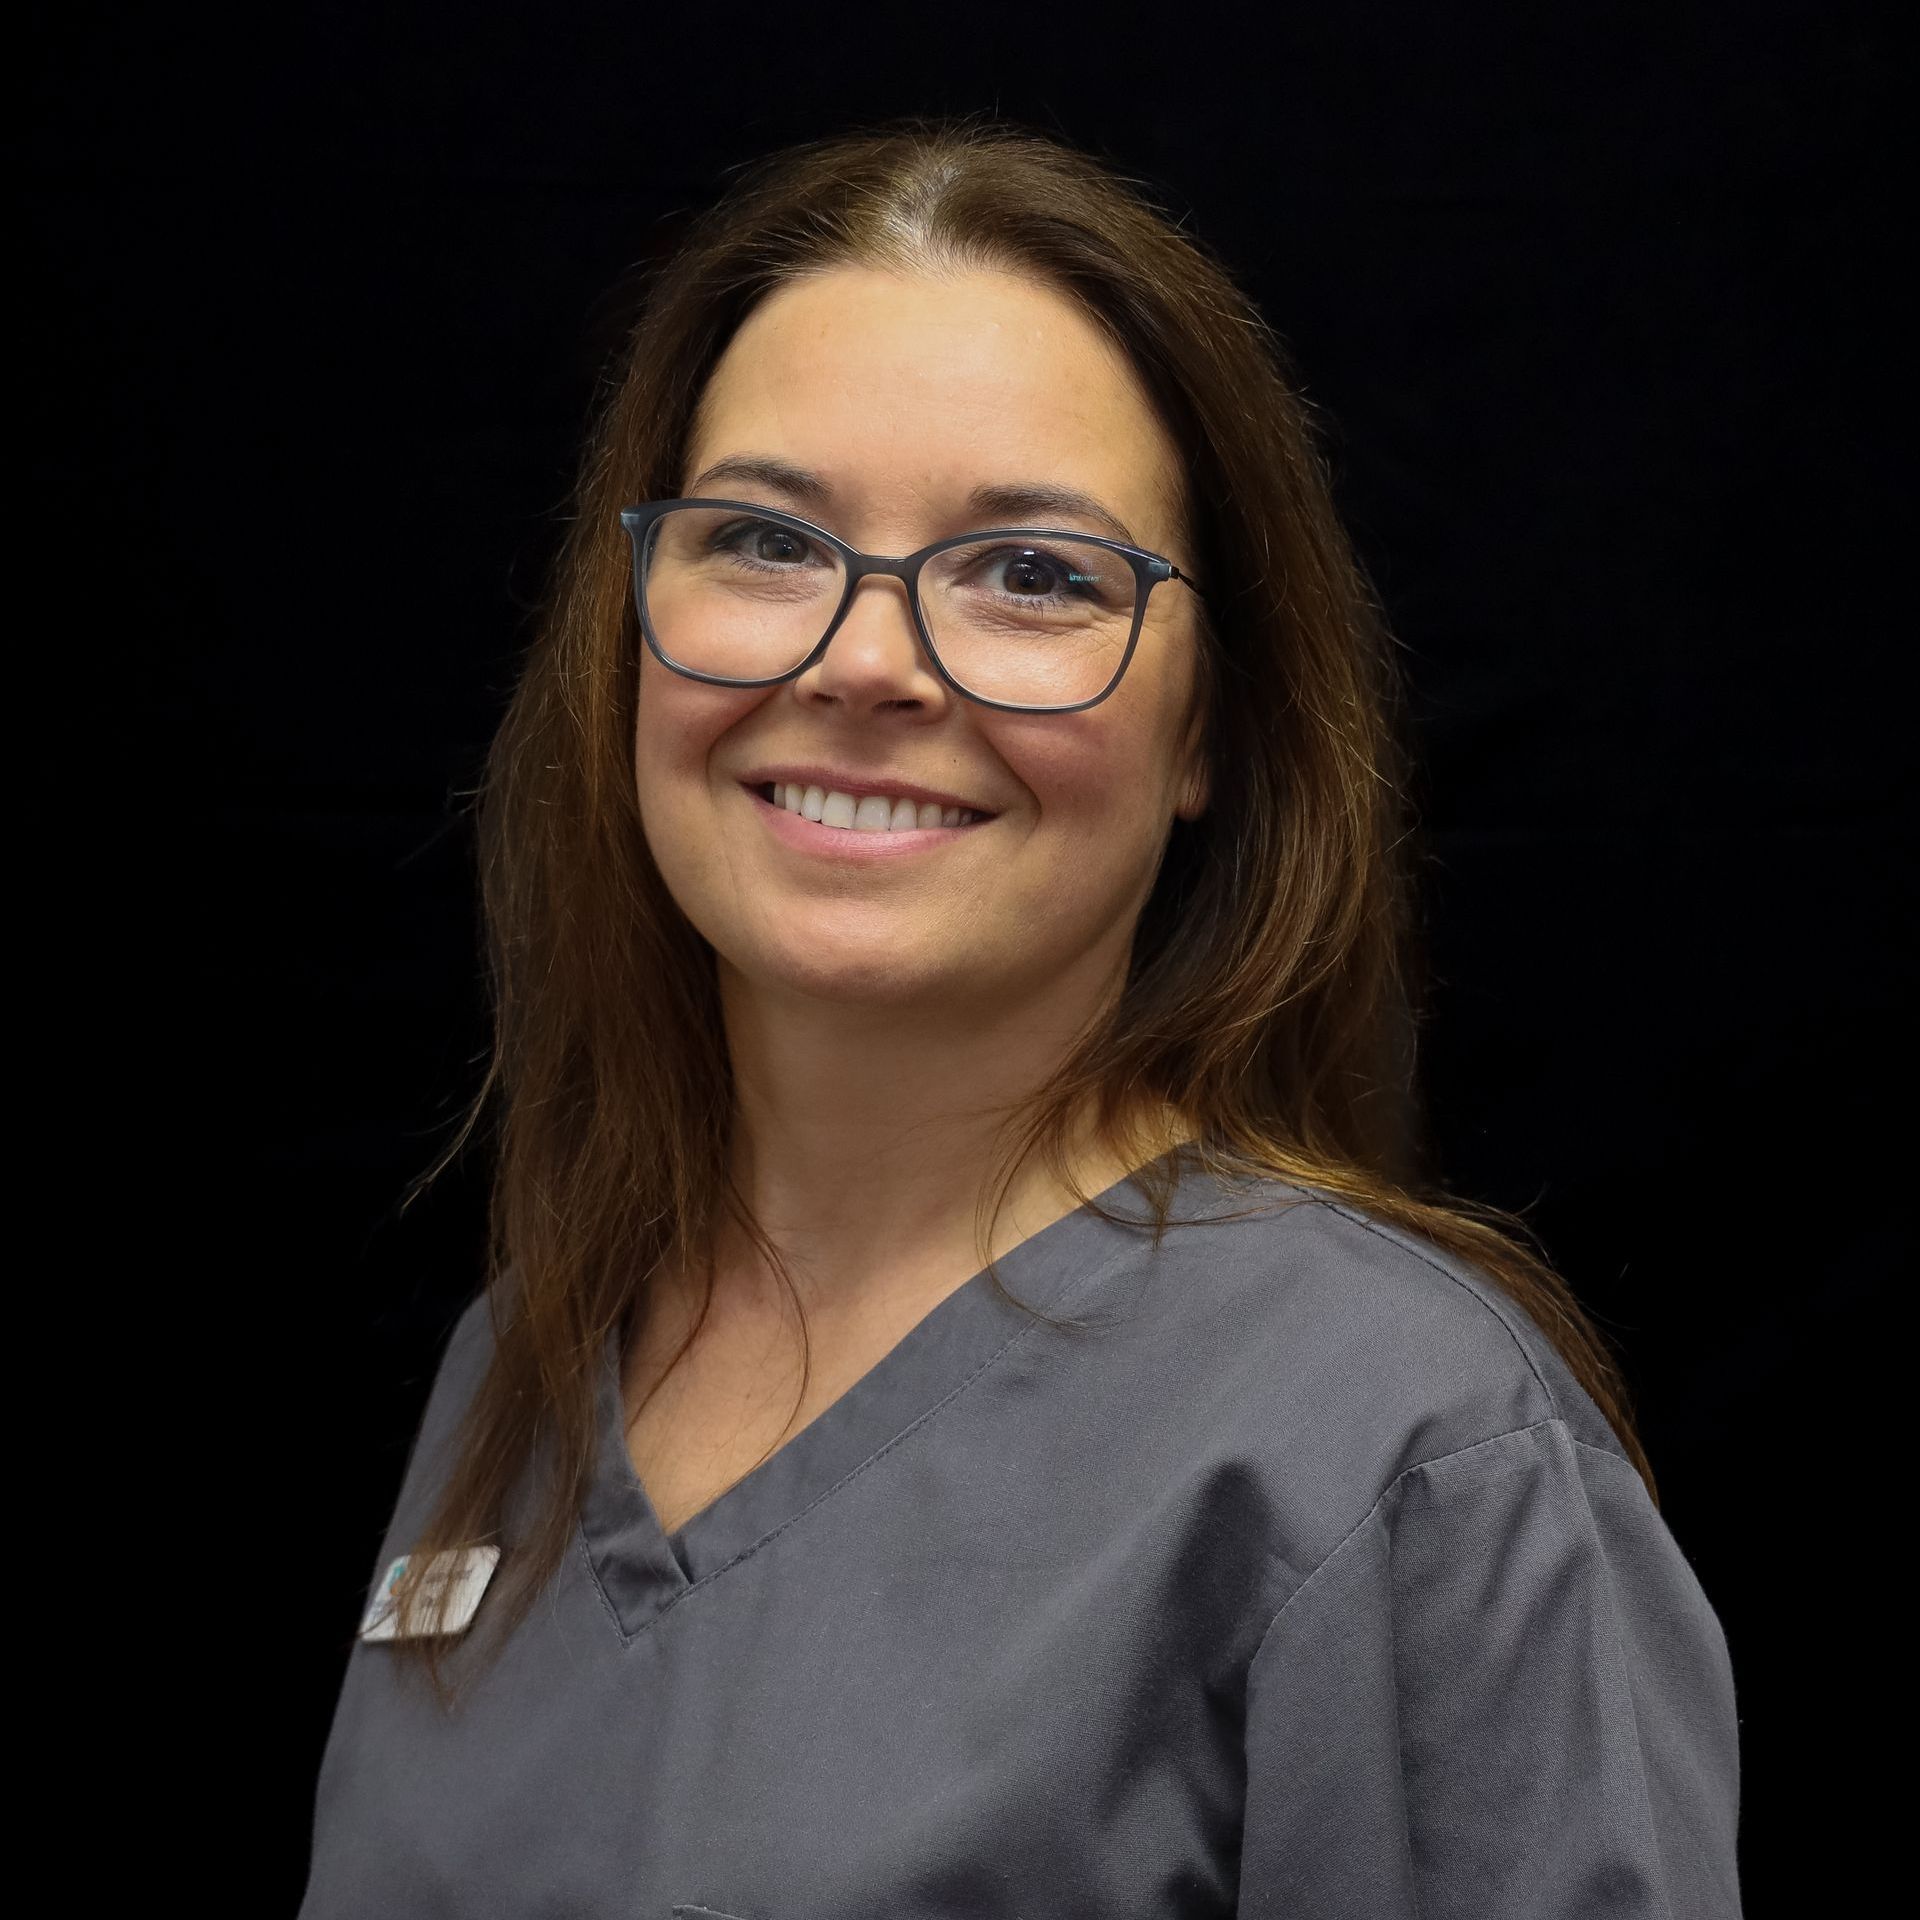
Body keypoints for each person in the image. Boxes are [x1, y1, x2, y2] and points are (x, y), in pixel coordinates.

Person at [298, 114, 1742, 1917]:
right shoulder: (514, 1372)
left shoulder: (1407, 1449)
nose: (863, 662)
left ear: (1213, 728)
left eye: (1037, 575)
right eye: (763, 539)